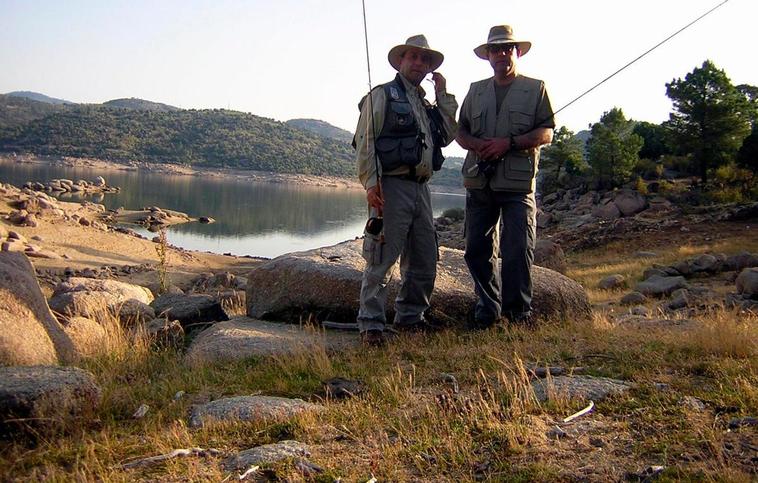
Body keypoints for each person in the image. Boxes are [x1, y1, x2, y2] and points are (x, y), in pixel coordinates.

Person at [353, 35, 458, 346]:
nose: (418, 63)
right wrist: (371, 183)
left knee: (424, 257)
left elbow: (450, 133)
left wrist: (444, 96)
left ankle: (411, 317)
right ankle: (371, 325)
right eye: (413, 57)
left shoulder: (428, 104)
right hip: (391, 186)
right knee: (381, 257)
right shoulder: (382, 95)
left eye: (424, 60)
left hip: (422, 189)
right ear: (401, 61)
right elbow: (365, 142)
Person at [456, 25, 555, 328]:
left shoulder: (536, 87)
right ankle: (486, 312)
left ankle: (517, 315)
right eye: (495, 49)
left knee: (517, 250)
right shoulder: (475, 90)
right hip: (479, 182)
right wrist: (477, 145)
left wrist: (508, 144)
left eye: (506, 48)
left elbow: (547, 132)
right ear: (487, 56)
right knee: (476, 250)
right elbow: (460, 132)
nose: (501, 54)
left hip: (517, 186)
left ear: (517, 52)